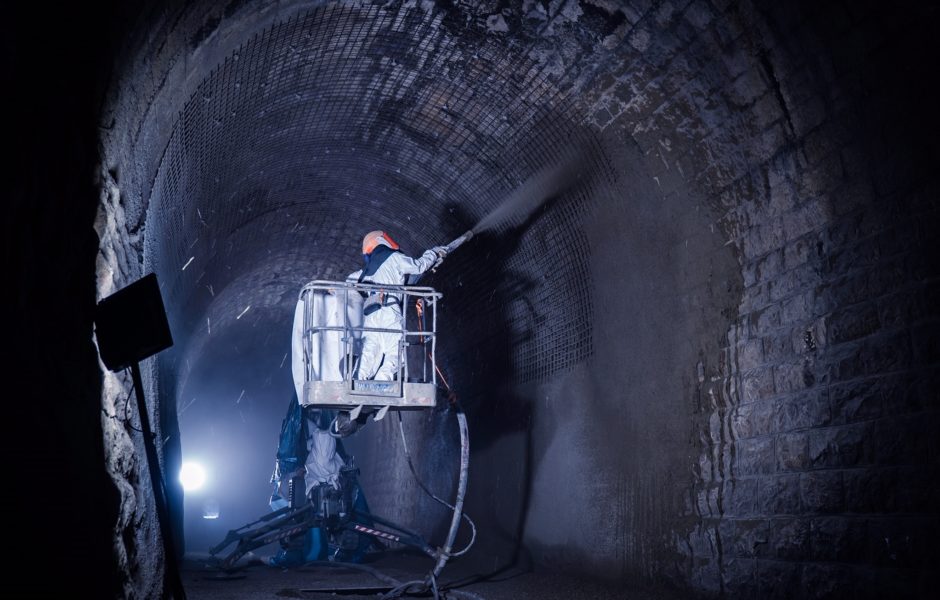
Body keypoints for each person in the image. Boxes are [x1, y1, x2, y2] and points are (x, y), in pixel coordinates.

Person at [346, 230, 447, 382]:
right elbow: (419, 266)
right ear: (382, 241)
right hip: (389, 312)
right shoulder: (394, 258)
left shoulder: (365, 272)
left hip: (371, 316)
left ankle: (355, 384)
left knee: (369, 354)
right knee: (396, 353)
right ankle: (382, 383)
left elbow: (349, 281)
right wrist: (433, 253)